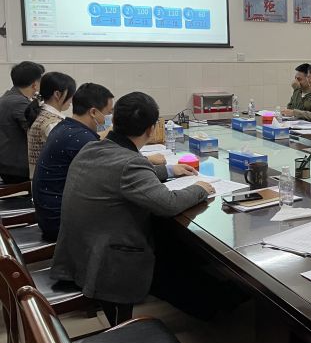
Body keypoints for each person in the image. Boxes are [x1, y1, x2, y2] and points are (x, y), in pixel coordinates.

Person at [50, 92, 215, 325]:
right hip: (106, 262)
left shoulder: (92, 148)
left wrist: (169, 170)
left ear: (114, 121)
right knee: (172, 247)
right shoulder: (130, 163)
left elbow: (119, 173)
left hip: (79, 252)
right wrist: (200, 188)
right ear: (151, 129)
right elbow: (168, 204)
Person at [32, 83, 115, 242]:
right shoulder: (81, 139)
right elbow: (112, 176)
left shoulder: (65, 127)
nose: (109, 118)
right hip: (60, 223)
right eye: (108, 113)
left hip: (48, 215)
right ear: (93, 112)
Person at [0, 61, 45, 183]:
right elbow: (38, 132)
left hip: (6, 166)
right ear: (35, 84)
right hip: (17, 169)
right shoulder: (19, 103)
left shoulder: (8, 98)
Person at [26, 71, 77, 177]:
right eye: (70, 94)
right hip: (51, 181)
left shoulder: (39, 113)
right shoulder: (53, 123)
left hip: (39, 178)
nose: (71, 100)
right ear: (57, 94)